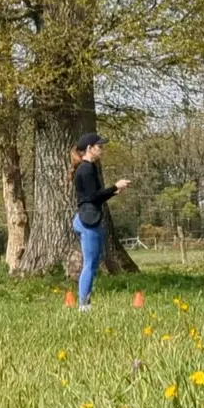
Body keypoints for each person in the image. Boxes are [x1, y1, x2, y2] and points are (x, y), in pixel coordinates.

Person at [70, 133, 131, 311]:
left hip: (89, 217)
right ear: (90, 148)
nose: (102, 149)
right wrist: (114, 187)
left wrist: (113, 192)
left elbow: (95, 197)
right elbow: (92, 197)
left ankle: (85, 302)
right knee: (90, 264)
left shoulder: (88, 167)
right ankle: (84, 305)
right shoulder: (86, 168)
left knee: (93, 263)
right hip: (88, 220)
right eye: (99, 146)